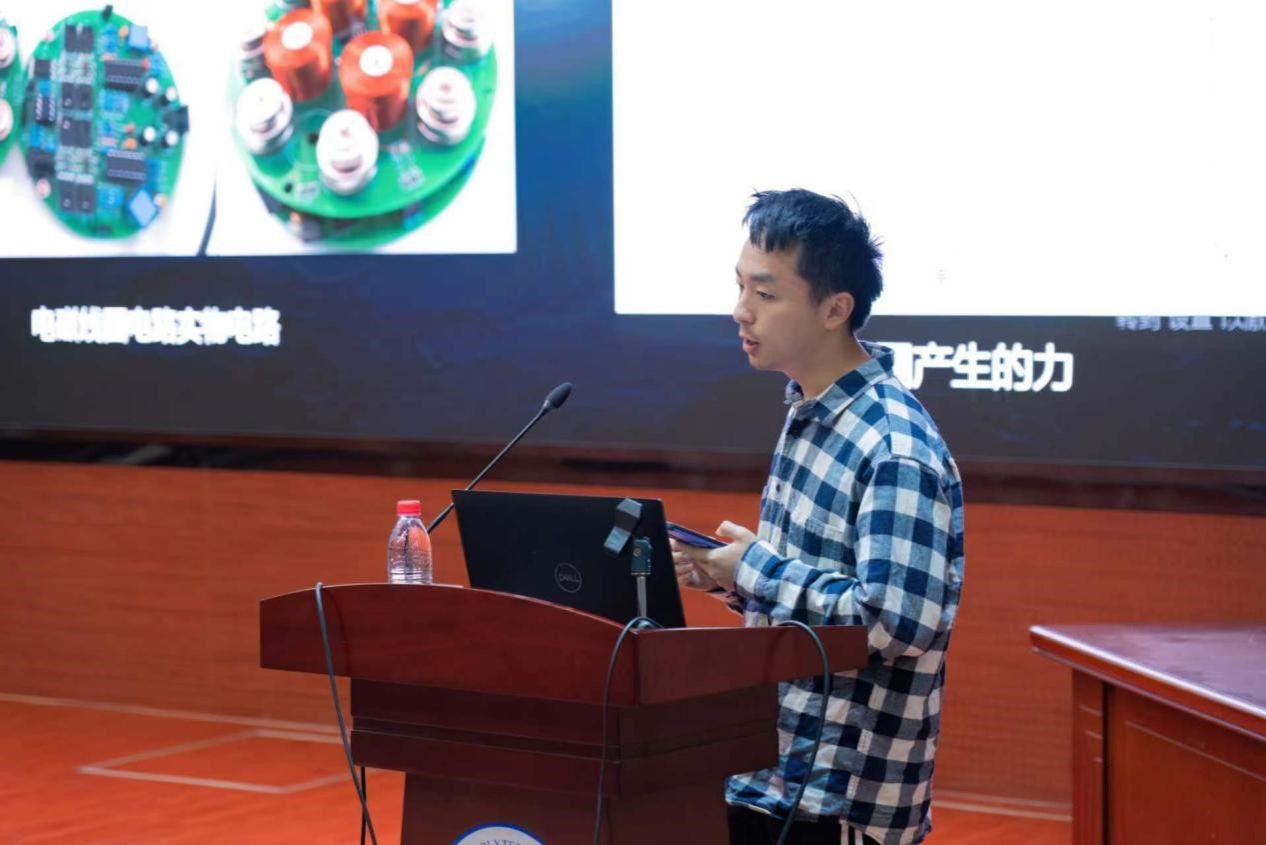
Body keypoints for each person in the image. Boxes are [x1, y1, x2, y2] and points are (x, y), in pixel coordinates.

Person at [672, 189, 965, 845]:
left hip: (840, 801)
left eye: (765, 293)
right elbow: (819, 590)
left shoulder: (894, 446)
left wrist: (758, 570)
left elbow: (895, 621)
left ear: (835, 309)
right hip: (772, 774)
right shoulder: (810, 412)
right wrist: (731, 577)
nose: (740, 310)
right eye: (740, 286)